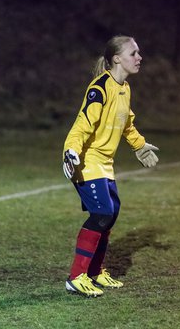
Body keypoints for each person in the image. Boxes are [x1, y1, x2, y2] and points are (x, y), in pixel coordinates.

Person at [62, 35, 159, 297]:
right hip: (87, 160)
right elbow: (82, 125)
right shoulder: (100, 88)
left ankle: (94, 272)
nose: (139, 58)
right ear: (117, 58)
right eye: (133, 53)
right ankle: (76, 277)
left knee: (111, 213)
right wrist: (70, 152)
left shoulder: (124, 88)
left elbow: (126, 124)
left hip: (104, 163)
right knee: (103, 213)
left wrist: (139, 145)